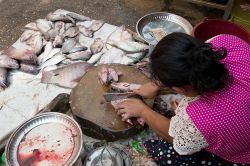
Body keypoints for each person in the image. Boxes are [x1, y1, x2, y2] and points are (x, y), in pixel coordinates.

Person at [115, 33, 250, 165]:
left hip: (244, 153)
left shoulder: (201, 119)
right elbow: (190, 63)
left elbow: (174, 137)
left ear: (181, 89)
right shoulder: (227, 41)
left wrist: (143, 111)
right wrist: (156, 84)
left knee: (170, 154)